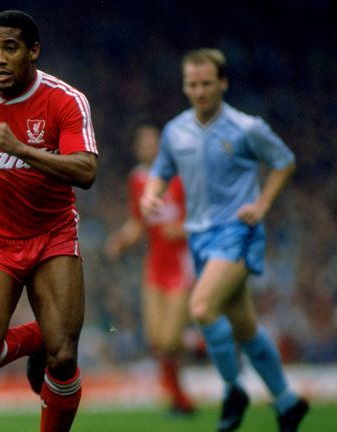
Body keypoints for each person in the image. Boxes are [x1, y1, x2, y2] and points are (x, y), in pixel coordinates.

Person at [0, 10, 98, 432]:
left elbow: (86, 172)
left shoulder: (66, 100)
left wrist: (21, 148)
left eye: (10, 48)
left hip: (52, 236)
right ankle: (42, 333)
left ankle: (54, 341)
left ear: (33, 52)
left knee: (64, 356)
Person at [141, 48, 309, 432]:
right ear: (184, 85)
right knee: (246, 328)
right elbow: (162, 170)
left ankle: (233, 390)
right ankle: (286, 402)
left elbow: (284, 160)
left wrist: (263, 203)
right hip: (199, 238)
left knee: (201, 308)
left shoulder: (247, 128)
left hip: (237, 232)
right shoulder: (176, 130)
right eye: (192, 84)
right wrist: (153, 192)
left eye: (206, 83)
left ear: (223, 83)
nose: (199, 91)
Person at [103, 123, 196, 415]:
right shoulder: (138, 180)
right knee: (157, 339)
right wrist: (121, 240)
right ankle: (179, 400)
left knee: (170, 339)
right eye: (141, 142)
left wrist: (180, 229)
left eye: (152, 141)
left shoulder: (182, 176)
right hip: (154, 264)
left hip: (181, 264)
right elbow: (138, 222)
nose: (147, 147)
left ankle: (202, 342)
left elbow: (203, 219)